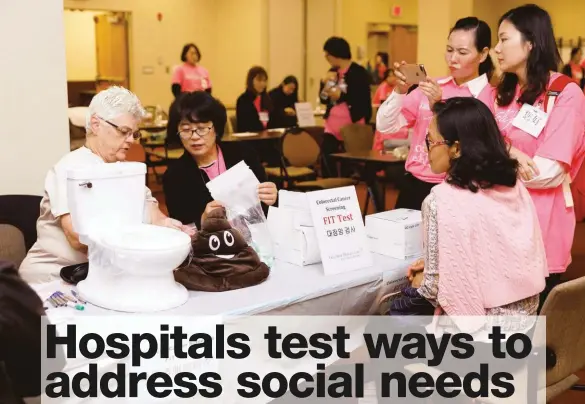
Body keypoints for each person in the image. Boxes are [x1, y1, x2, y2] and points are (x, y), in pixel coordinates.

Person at [19, 87, 193, 284]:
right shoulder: (69, 170)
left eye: (134, 134)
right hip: (55, 277)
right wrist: (140, 243)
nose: (130, 141)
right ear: (96, 124)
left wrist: (170, 228)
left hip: (102, 276)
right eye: (124, 132)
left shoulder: (126, 172)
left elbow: (153, 214)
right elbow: (77, 237)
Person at [398, 97, 547, 322]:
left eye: (430, 141)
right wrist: (437, 264)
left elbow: (432, 289)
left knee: (384, 319)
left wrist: (423, 277)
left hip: (479, 338)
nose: (424, 148)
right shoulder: (515, 186)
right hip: (527, 323)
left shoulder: (440, 200)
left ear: (456, 148)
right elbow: (496, 256)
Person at [489, 4, 585, 303]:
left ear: (530, 42)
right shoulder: (500, 91)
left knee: (529, 329)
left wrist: (491, 158)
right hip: (494, 220)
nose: (496, 48)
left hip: (538, 226)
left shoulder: (564, 93)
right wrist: (508, 152)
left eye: (504, 39)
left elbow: (545, 172)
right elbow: (464, 143)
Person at [376, 16, 494, 210]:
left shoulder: (489, 97)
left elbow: (478, 152)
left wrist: (437, 106)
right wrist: (400, 90)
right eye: (449, 50)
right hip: (414, 184)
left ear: (482, 55)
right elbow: (385, 125)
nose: (452, 58)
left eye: (462, 52)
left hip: (457, 192)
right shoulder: (431, 86)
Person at [163, 91, 278, 230]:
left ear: (216, 128)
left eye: (202, 128)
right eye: (186, 129)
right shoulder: (174, 176)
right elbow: (180, 227)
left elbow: (265, 206)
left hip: (255, 238)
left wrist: (272, 197)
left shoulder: (244, 154)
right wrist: (203, 220)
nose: (194, 136)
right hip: (210, 245)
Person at [320, 36, 372, 177]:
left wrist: (341, 96)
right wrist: (325, 85)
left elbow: (360, 98)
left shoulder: (358, 72)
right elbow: (324, 99)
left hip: (351, 124)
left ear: (337, 54)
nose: (326, 58)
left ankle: (344, 193)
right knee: (326, 157)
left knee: (347, 165)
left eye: (328, 54)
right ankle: (328, 192)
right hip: (331, 125)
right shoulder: (332, 73)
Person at [372, 69, 409, 152]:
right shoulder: (383, 87)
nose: (392, 78)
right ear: (386, 78)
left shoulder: (398, 87)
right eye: (389, 76)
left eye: (393, 76)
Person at [235, 66, 272, 133]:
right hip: (250, 139)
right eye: (259, 80)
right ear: (251, 80)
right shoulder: (243, 100)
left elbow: (272, 121)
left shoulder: (267, 99)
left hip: (268, 138)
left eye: (264, 80)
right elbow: (245, 125)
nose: (262, 83)